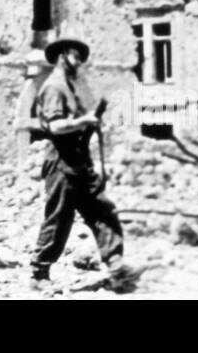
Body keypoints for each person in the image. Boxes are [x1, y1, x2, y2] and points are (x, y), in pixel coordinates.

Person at [29, 37, 140, 293]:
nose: (79, 61)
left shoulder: (70, 86)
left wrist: (88, 122)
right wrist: (84, 121)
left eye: (80, 56)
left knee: (102, 209)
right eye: (75, 56)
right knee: (59, 217)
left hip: (79, 159)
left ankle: (116, 265)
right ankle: (38, 272)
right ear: (63, 55)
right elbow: (55, 126)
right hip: (61, 161)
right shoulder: (54, 87)